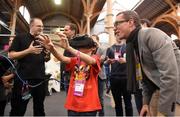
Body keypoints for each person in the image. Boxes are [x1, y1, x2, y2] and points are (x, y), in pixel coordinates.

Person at [114, 10, 180, 116]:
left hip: (174, 93)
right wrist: (145, 103)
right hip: (159, 91)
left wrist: (163, 112)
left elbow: (170, 76)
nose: (114, 28)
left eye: (117, 23)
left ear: (131, 22)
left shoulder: (151, 35)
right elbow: (145, 76)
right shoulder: (133, 44)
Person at [38, 34, 101, 116]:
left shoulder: (95, 58)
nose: (80, 49)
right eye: (79, 47)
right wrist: (52, 48)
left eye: (83, 47)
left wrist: (69, 48)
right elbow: (62, 58)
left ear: (93, 48)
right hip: (73, 104)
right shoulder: (76, 60)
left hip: (89, 105)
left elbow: (91, 61)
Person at [8, 18, 50, 116]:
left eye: (42, 26)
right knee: (19, 107)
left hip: (40, 79)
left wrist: (48, 54)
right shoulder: (20, 37)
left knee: (39, 108)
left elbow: (46, 59)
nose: (41, 28)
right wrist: (28, 50)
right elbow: (11, 55)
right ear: (31, 26)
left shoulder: (42, 40)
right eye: (39, 26)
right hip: (24, 80)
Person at [105, 38, 133, 116]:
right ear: (114, 35)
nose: (118, 36)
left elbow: (133, 61)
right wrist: (108, 61)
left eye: (119, 33)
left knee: (128, 103)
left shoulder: (127, 47)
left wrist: (126, 60)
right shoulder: (110, 48)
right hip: (114, 78)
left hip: (126, 78)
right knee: (118, 104)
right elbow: (105, 63)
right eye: (117, 34)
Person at [91, 34, 107, 116]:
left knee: (100, 98)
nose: (93, 42)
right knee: (92, 98)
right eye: (91, 40)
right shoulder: (89, 50)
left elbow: (101, 59)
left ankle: (101, 115)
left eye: (94, 40)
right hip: (91, 76)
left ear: (98, 40)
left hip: (100, 76)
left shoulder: (102, 49)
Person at [60, 23, 78, 92]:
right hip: (67, 72)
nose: (64, 32)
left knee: (75, 94)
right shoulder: (68, 41)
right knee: (68, 94)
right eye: (64, 30)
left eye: (66, 30)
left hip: (74, 73)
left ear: (73, 31)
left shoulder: (78, 42)